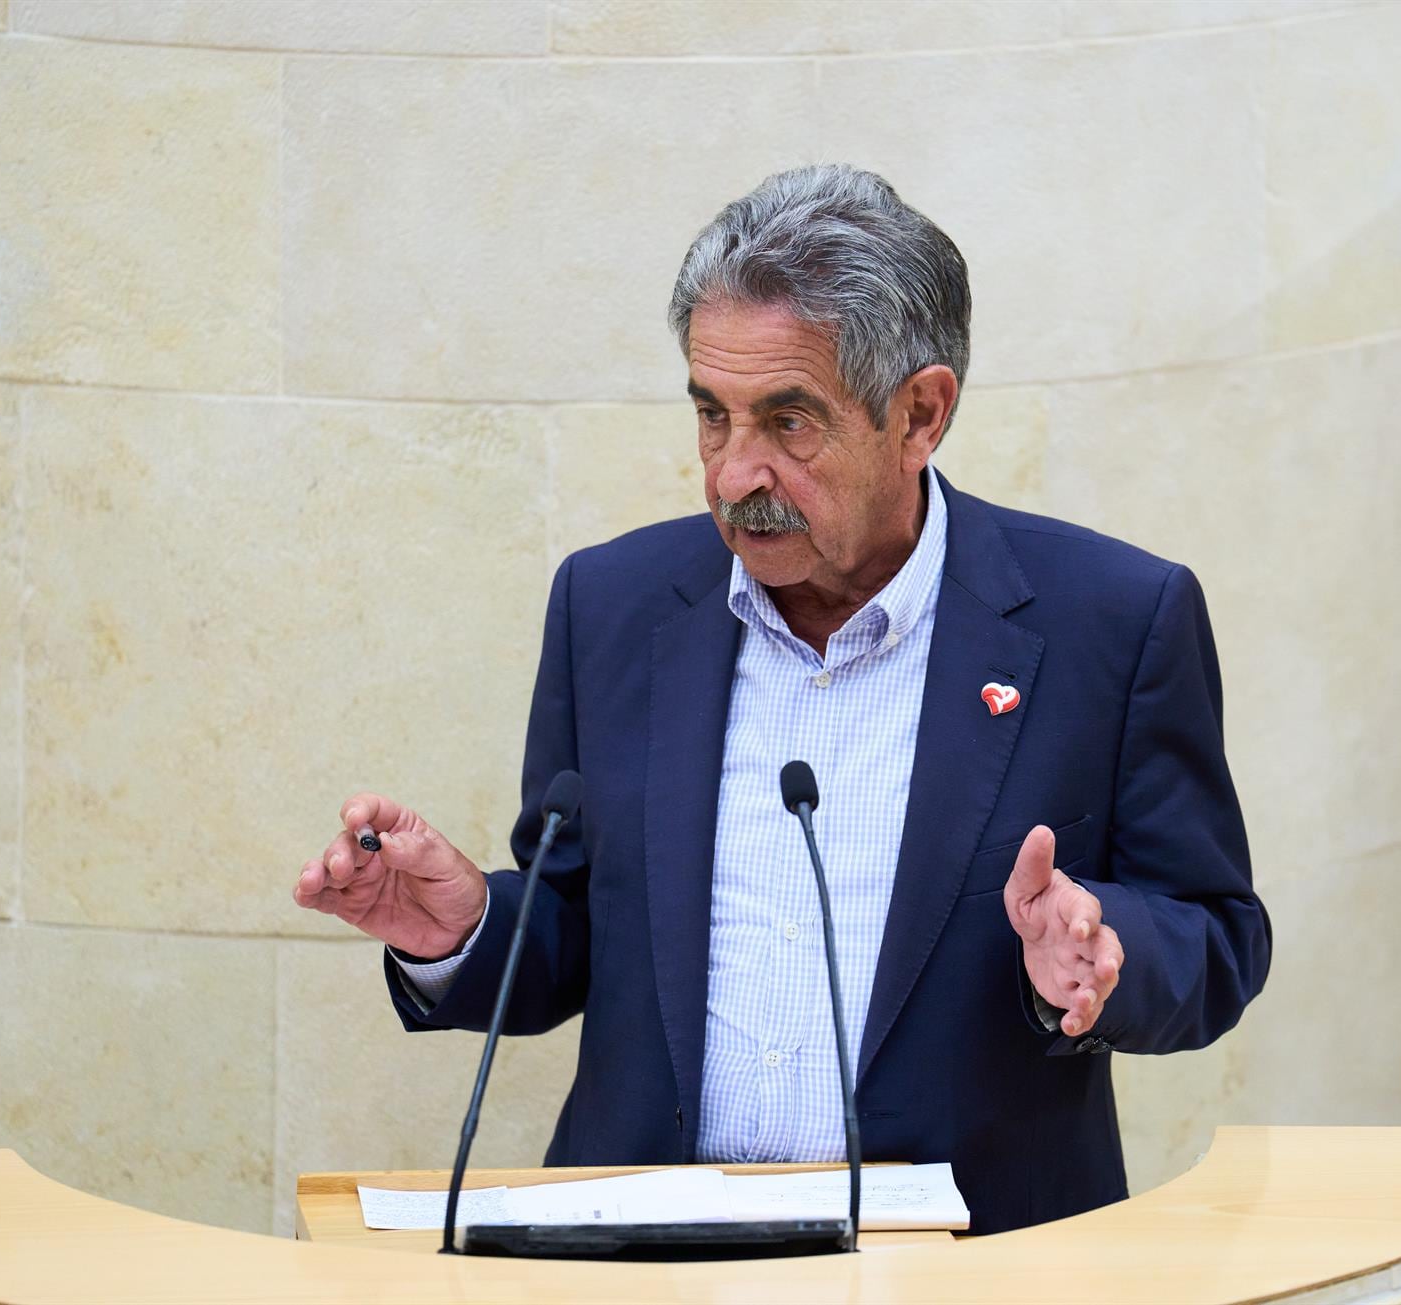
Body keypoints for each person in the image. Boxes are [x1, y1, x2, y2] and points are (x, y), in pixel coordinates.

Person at [292, 164, 1270, 1234]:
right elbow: (579, 927)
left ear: (921, 414)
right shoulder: (613, 606)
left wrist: (1100, 953)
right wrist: (469, 929)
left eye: (788, 423)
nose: (731, 474)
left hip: (965, 1261)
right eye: (712, 416)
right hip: (647, 1254)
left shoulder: (1111, 621)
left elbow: (1216, 937)